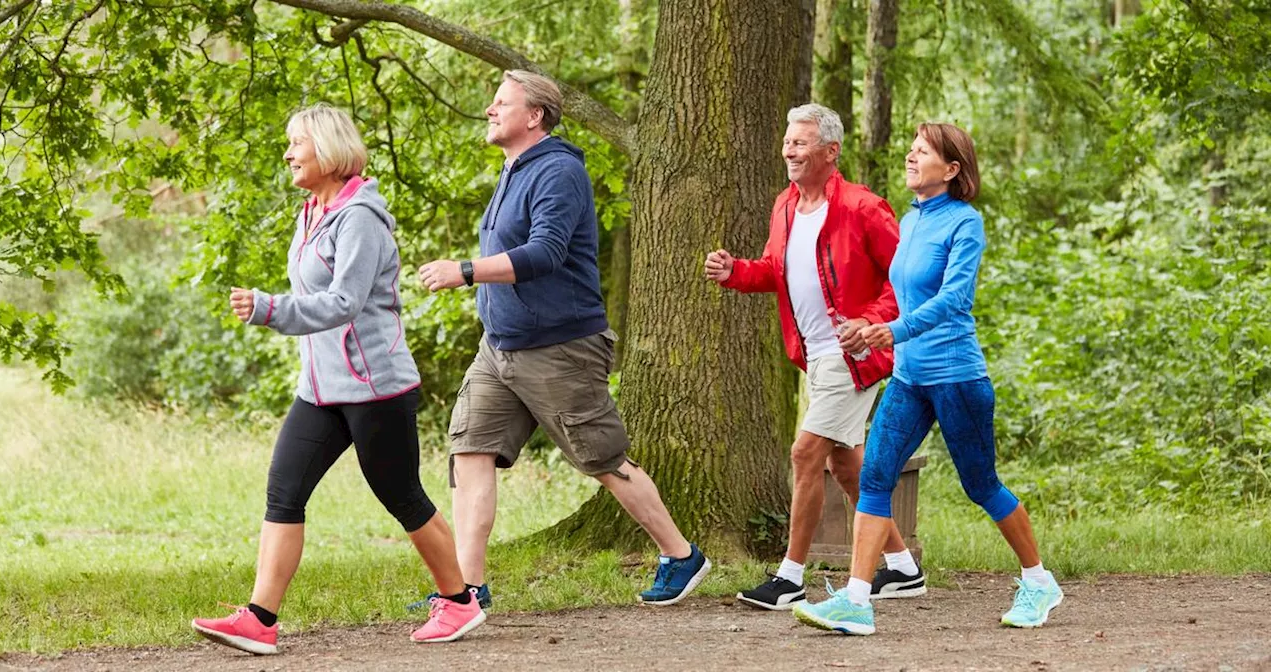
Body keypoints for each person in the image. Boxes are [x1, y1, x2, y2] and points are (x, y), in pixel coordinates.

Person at [191, 104, 485, 654]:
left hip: (376, 388)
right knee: (284, 490)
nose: (288, 153)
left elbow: (345, 302)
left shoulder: (360, 219)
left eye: (296, 143)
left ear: (327, 148)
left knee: (401, 495)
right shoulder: (313, 212)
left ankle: (460, 602)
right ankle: (260, 618)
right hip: (321, 389)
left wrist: (270, 309)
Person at [417, 70, 710, 606]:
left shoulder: (557, 171)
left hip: (559, 348)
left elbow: (546, 252)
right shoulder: (513, 169)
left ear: (535, 116)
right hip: (499, 347)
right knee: (470, 451)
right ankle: (466, 591)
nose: (489, 109)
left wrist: (465, 270)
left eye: (501, 102)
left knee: (602, 458)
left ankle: (681, 554)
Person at [793, 123, 1064, 635]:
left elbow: (954, 300)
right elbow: (899, 292)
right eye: (912, 149)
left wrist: (890, 331)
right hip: (909, 377)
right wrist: (868, 326)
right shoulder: (912, 220)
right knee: (874, 477)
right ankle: (856, 601)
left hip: (956, 376)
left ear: (952, 169)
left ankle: (1038, 580)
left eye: (923, 151)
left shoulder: (965, 224)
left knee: (980, 484)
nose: (911, 157)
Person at [704, 104, 925, 611]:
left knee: (805, 453)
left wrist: (872, 325)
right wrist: (735, 271)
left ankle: (790, 576)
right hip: (815, 357)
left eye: (801, 143)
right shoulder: (784, 205)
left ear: (830, 151)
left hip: (855, 357)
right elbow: (773, 270)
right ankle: (904, 569)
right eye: (787, 142)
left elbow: (906, 281)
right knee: (847, 467)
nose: (789, 150)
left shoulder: (864, 208)